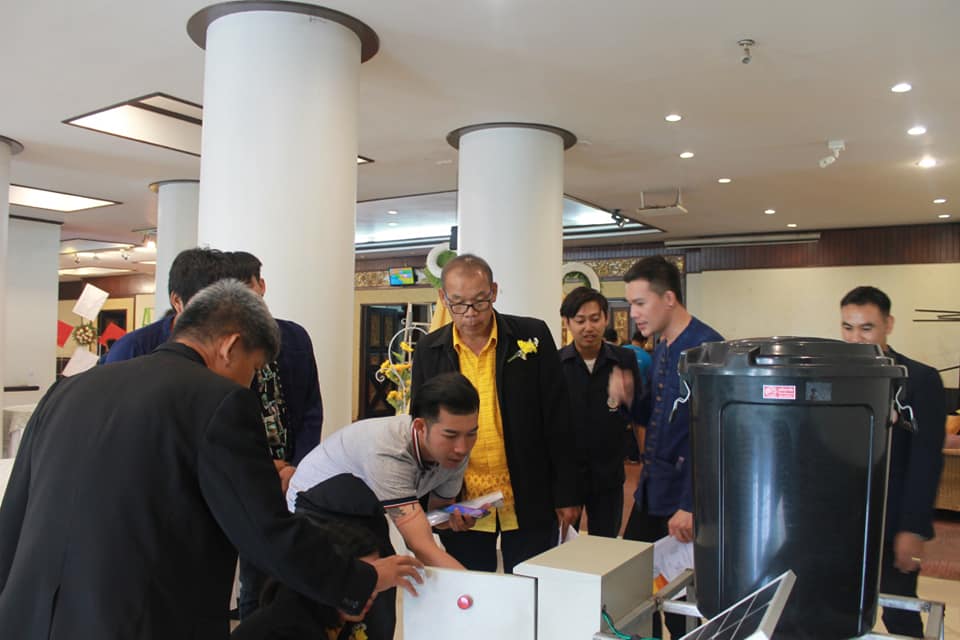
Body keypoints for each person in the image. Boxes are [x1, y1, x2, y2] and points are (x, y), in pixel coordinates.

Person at [0, 280, 422, 639]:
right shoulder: (221, 402)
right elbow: (265, 531)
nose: (251, 381)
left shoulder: (69, 389)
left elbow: (14, 515)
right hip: (138, 619)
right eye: (254, 368)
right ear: (231, 346)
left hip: (32, 616)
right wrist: (361, 579)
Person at [410, 254, 580, 573]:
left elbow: (558, 417)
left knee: (531, 586)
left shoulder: (531, 336)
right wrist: (434, 501)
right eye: (458, 304)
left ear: (495, 292)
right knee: (474, 589)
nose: (470, 314)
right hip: (461, 499)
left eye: (480, 301)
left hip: (528, 492)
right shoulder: (429, 350)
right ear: (443, 298)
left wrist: (567, 493)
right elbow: (421, 430)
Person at [608, 255, 722, 639]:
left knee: (680, 601)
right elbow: (654, 416)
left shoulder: (707, 349)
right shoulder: (662, 347)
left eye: (640, 303)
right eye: (630, 304)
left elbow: (714, 438)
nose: (633, 314)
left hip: (683, 501)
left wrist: (691, 504)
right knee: (632, 587)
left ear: (669, 298)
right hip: (652, 492)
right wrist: (627, 396)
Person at [287, 372, 481, 570]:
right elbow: (421, 546)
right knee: (365, 575)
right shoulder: (390, 452)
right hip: (312, 506)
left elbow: (436, 513)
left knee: (390, 572)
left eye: (471, 434)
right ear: (420, 427)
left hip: (362, 507)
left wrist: (453, 519)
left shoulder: (455, 452)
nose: (462, 448)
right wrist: (480, 587)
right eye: (451, 435)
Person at [840, 286, 945, 638]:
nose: (855, 338)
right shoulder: (832, 377)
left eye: (866, 328)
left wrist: (913, 528)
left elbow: (926, 461)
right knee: (837, 609)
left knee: (899, 612)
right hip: (843, 522)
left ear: (888, 325)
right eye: (848, 327)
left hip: (893, 521)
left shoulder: (920, 380)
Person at [228, 251, 327, 619]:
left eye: (249, 287)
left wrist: (298, 467)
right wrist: (267, 467)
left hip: (295, 475)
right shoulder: (225, 347)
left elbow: (312, 408)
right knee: (253, 575)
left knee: (288, 567)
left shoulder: (294, 336)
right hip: (247, 472)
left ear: (262, 286)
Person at [232, 476, 396, 640]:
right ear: (334, 572)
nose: (371, 592)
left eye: (376, 583)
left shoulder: (332, 614)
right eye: (365, 577)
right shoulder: (289, 625)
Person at [559, 287, 640, 538]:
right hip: (569, 477)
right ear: (567, 323)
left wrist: (629, 398)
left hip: (609, 474)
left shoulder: (624, 359)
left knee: (605, 544)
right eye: (580, 320)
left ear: (606, 319)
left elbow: (638, 412)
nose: (588, 327)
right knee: (564, 545)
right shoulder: (556, 364)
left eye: (595, 319)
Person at [104, 247, 230, 362]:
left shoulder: (231, 346)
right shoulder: (134, 348)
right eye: (207, 303)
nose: (217, 312)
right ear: (177, 301)